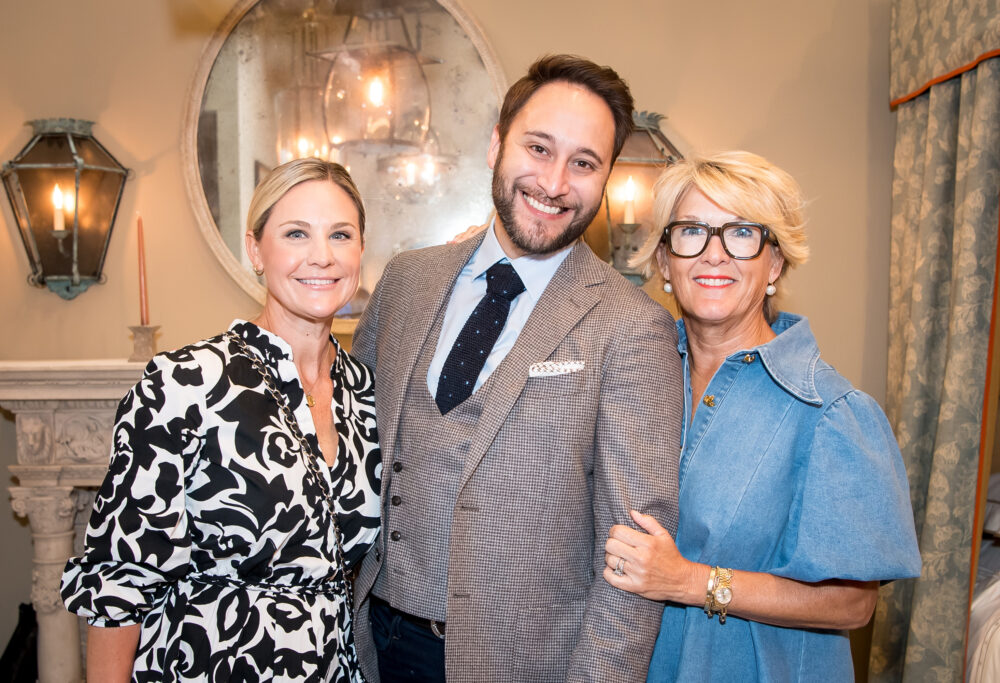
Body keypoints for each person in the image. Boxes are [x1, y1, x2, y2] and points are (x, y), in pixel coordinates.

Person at [350, 54, 684, 682]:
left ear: (606, 178)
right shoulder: (408, 281)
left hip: (519, 664)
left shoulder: (632, 327)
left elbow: (633, 562)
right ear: (497, 145)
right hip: (374, 644)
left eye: (584, 163)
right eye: (538, 147)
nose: (555, 182)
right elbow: (349, 442)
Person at [603, 151, 922, 681]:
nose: (714, 255)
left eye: (742, 234)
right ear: (663, 260)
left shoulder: (831, 413)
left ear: (775, 263)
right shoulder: (628, 380)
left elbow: (851, 604)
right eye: (691, 232)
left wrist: (687, 581)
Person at [61, 159, 382, 682]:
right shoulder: (185, 383)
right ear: (256, 250)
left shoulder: (366, 392)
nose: (321, 257)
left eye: (340, 235)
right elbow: (119, 580)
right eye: (296, 233)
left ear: (361, 251)